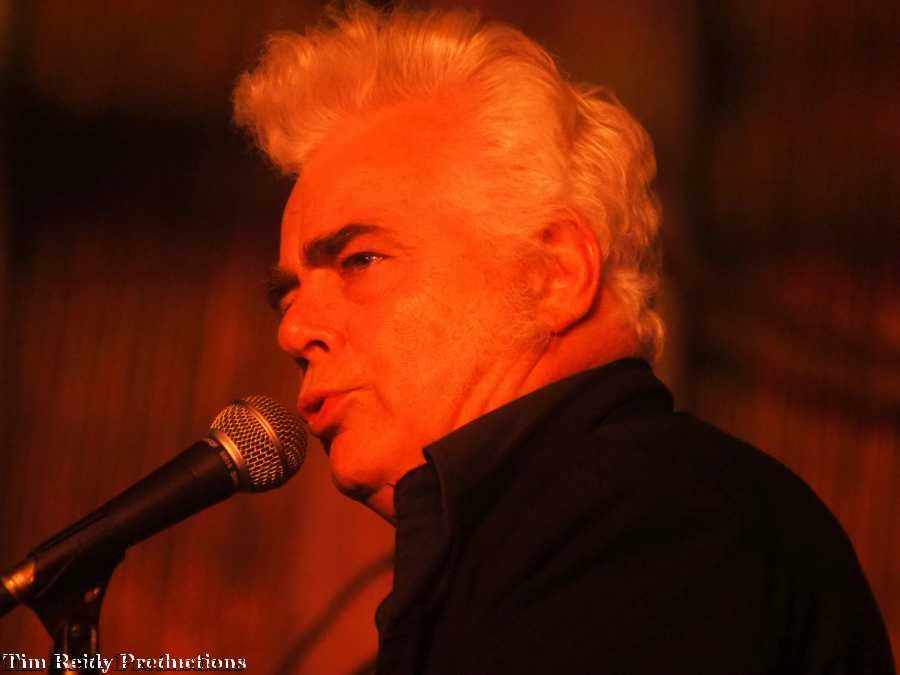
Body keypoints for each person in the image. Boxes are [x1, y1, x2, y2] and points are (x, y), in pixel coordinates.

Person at [233, 3, 894, 673]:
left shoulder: (660, 519)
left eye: (360, 260)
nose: (293, 329)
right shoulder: (530, 552)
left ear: (555, 272)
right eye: (286, 296)